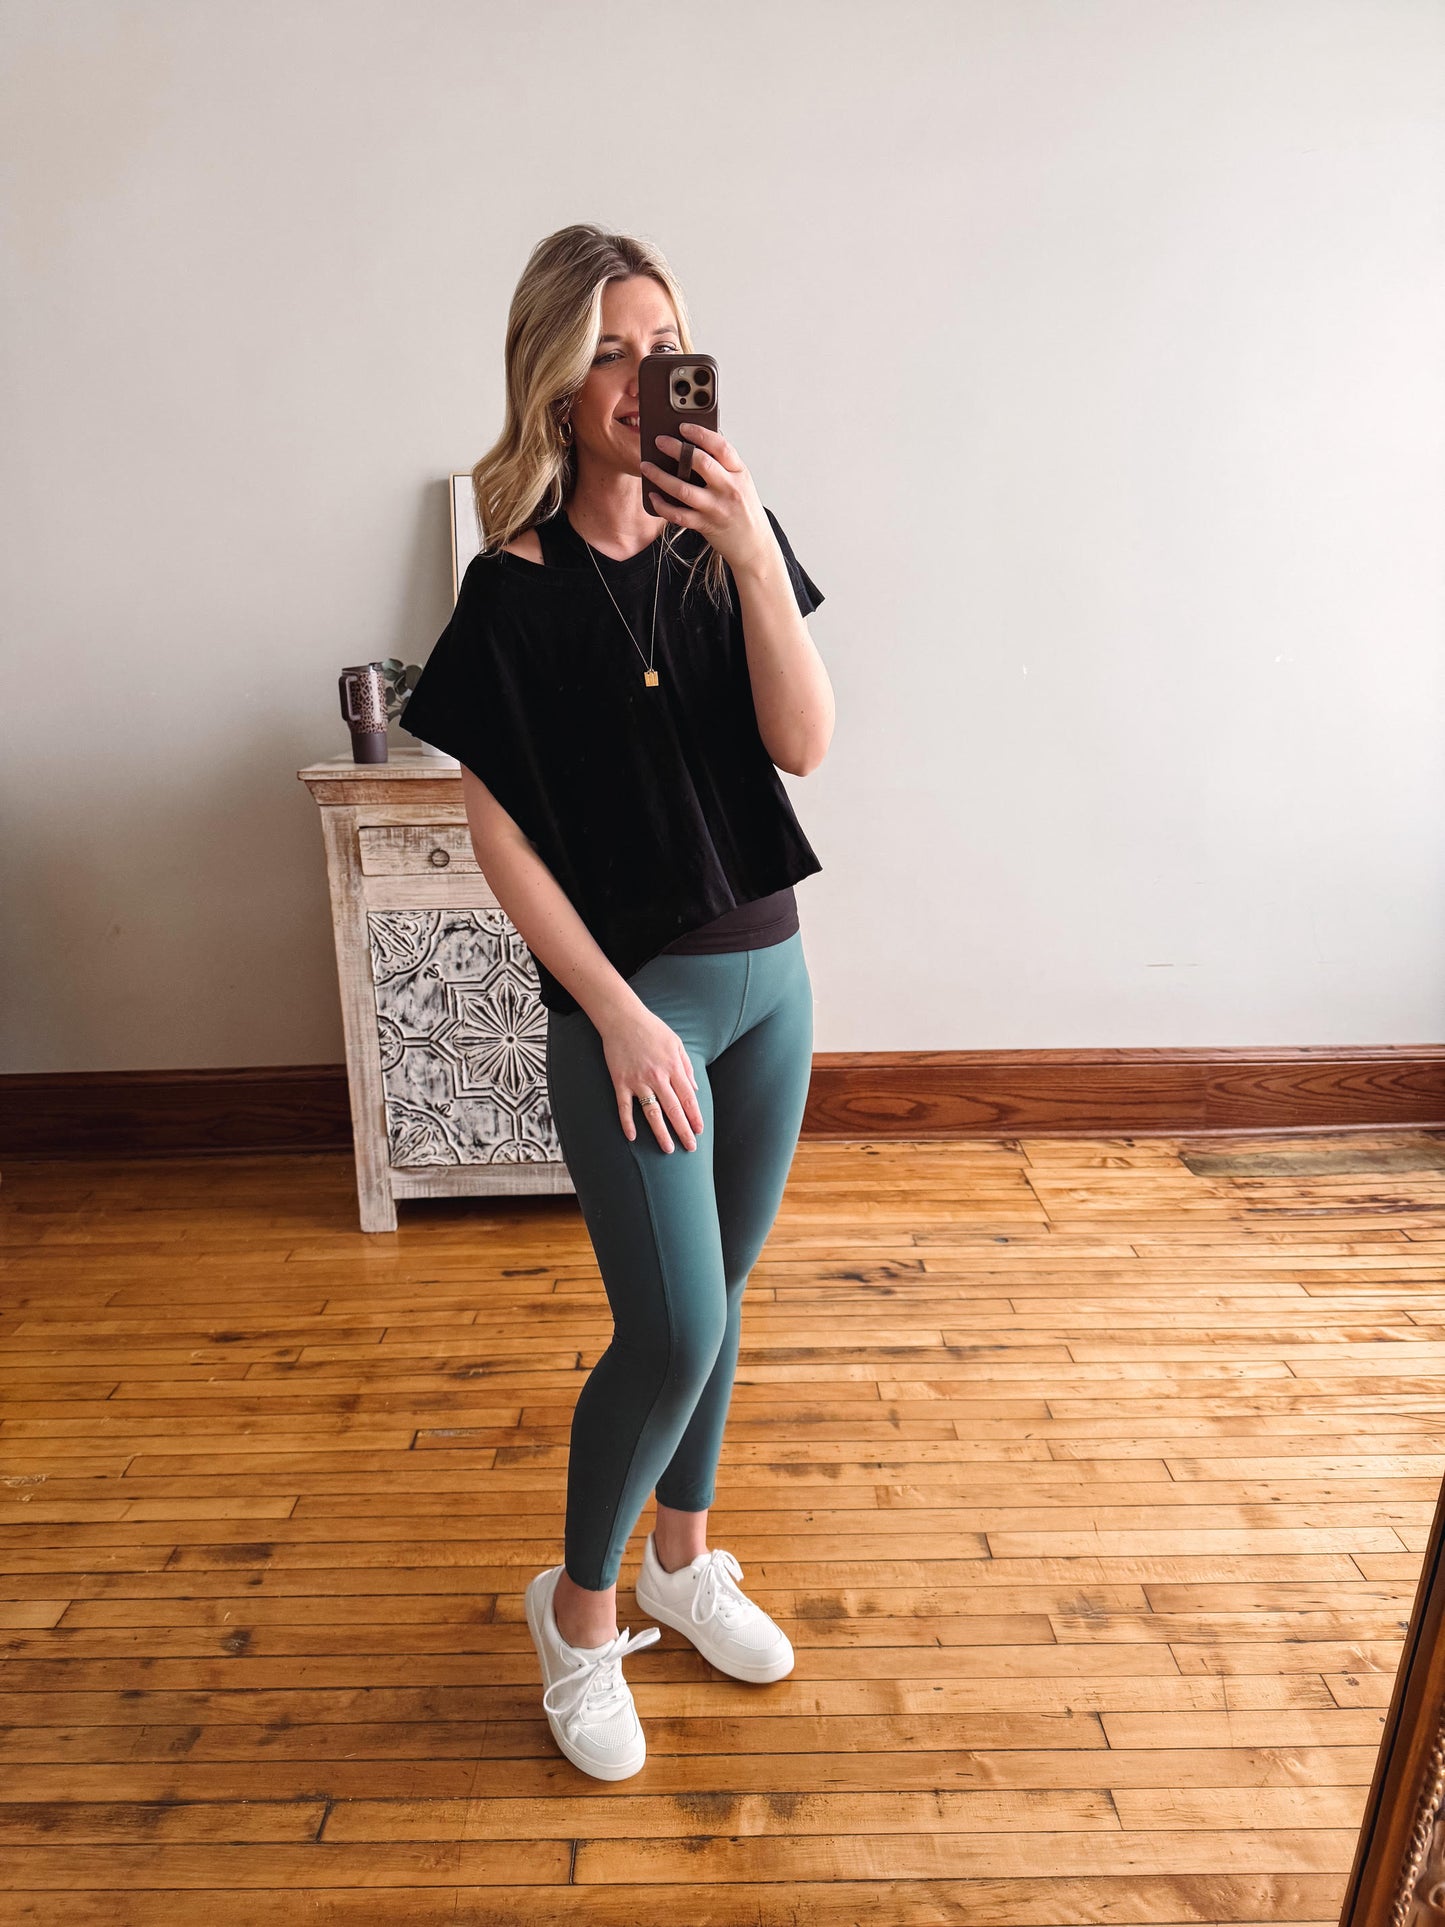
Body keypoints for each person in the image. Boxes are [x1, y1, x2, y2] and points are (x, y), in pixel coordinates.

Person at [399, 224, 835, 1781]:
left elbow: (803, 745)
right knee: (670, 1326)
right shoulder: (508, 595)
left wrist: (747, 551)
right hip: (629, 1008)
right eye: (607, 346)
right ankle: (578, 1617)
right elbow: (494, 830)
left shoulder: (732, 539)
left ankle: (680, 1563)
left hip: (769, 973)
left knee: (722, 1321)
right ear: (555, 376)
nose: (641, 372)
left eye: (661, 341)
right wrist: (615, 1014)